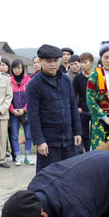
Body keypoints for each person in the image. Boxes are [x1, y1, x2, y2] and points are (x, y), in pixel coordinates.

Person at [26, 44, 82, 173]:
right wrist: (39, 141)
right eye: (49, 61)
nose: (53, 64)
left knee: (69, 175)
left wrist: (77, 131)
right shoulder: (34, 84)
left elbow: (73, 106)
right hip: (48, 141)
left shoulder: (66, 80)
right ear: (40, 61)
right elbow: (33, 115)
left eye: (56, 61)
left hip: (67, 138)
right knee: (47, 177)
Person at [9, 59, 33, 166]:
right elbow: (7, 97)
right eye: (15, 68)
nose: (17, 70)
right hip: (13, 113)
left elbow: (31, 98)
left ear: (23, 68)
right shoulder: (9, 81)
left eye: (19, 67)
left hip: (26, 112)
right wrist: (12, 110)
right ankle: (18, 156)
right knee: (14, 135)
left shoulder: (28, 80)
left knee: (28, 134)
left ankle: (27, 156)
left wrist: (24, 109)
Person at [73, 52, 94, 153]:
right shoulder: (78, 78)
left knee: (95, 133)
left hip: (95, 110)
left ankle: (95, 152)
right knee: (84, 134)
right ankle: (87, 152)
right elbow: (73, 95)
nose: (82, 65)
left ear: (91, 63)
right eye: (81, 63)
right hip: (83, 110)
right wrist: (77, 107)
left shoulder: (96, 77)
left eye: (85, 62)